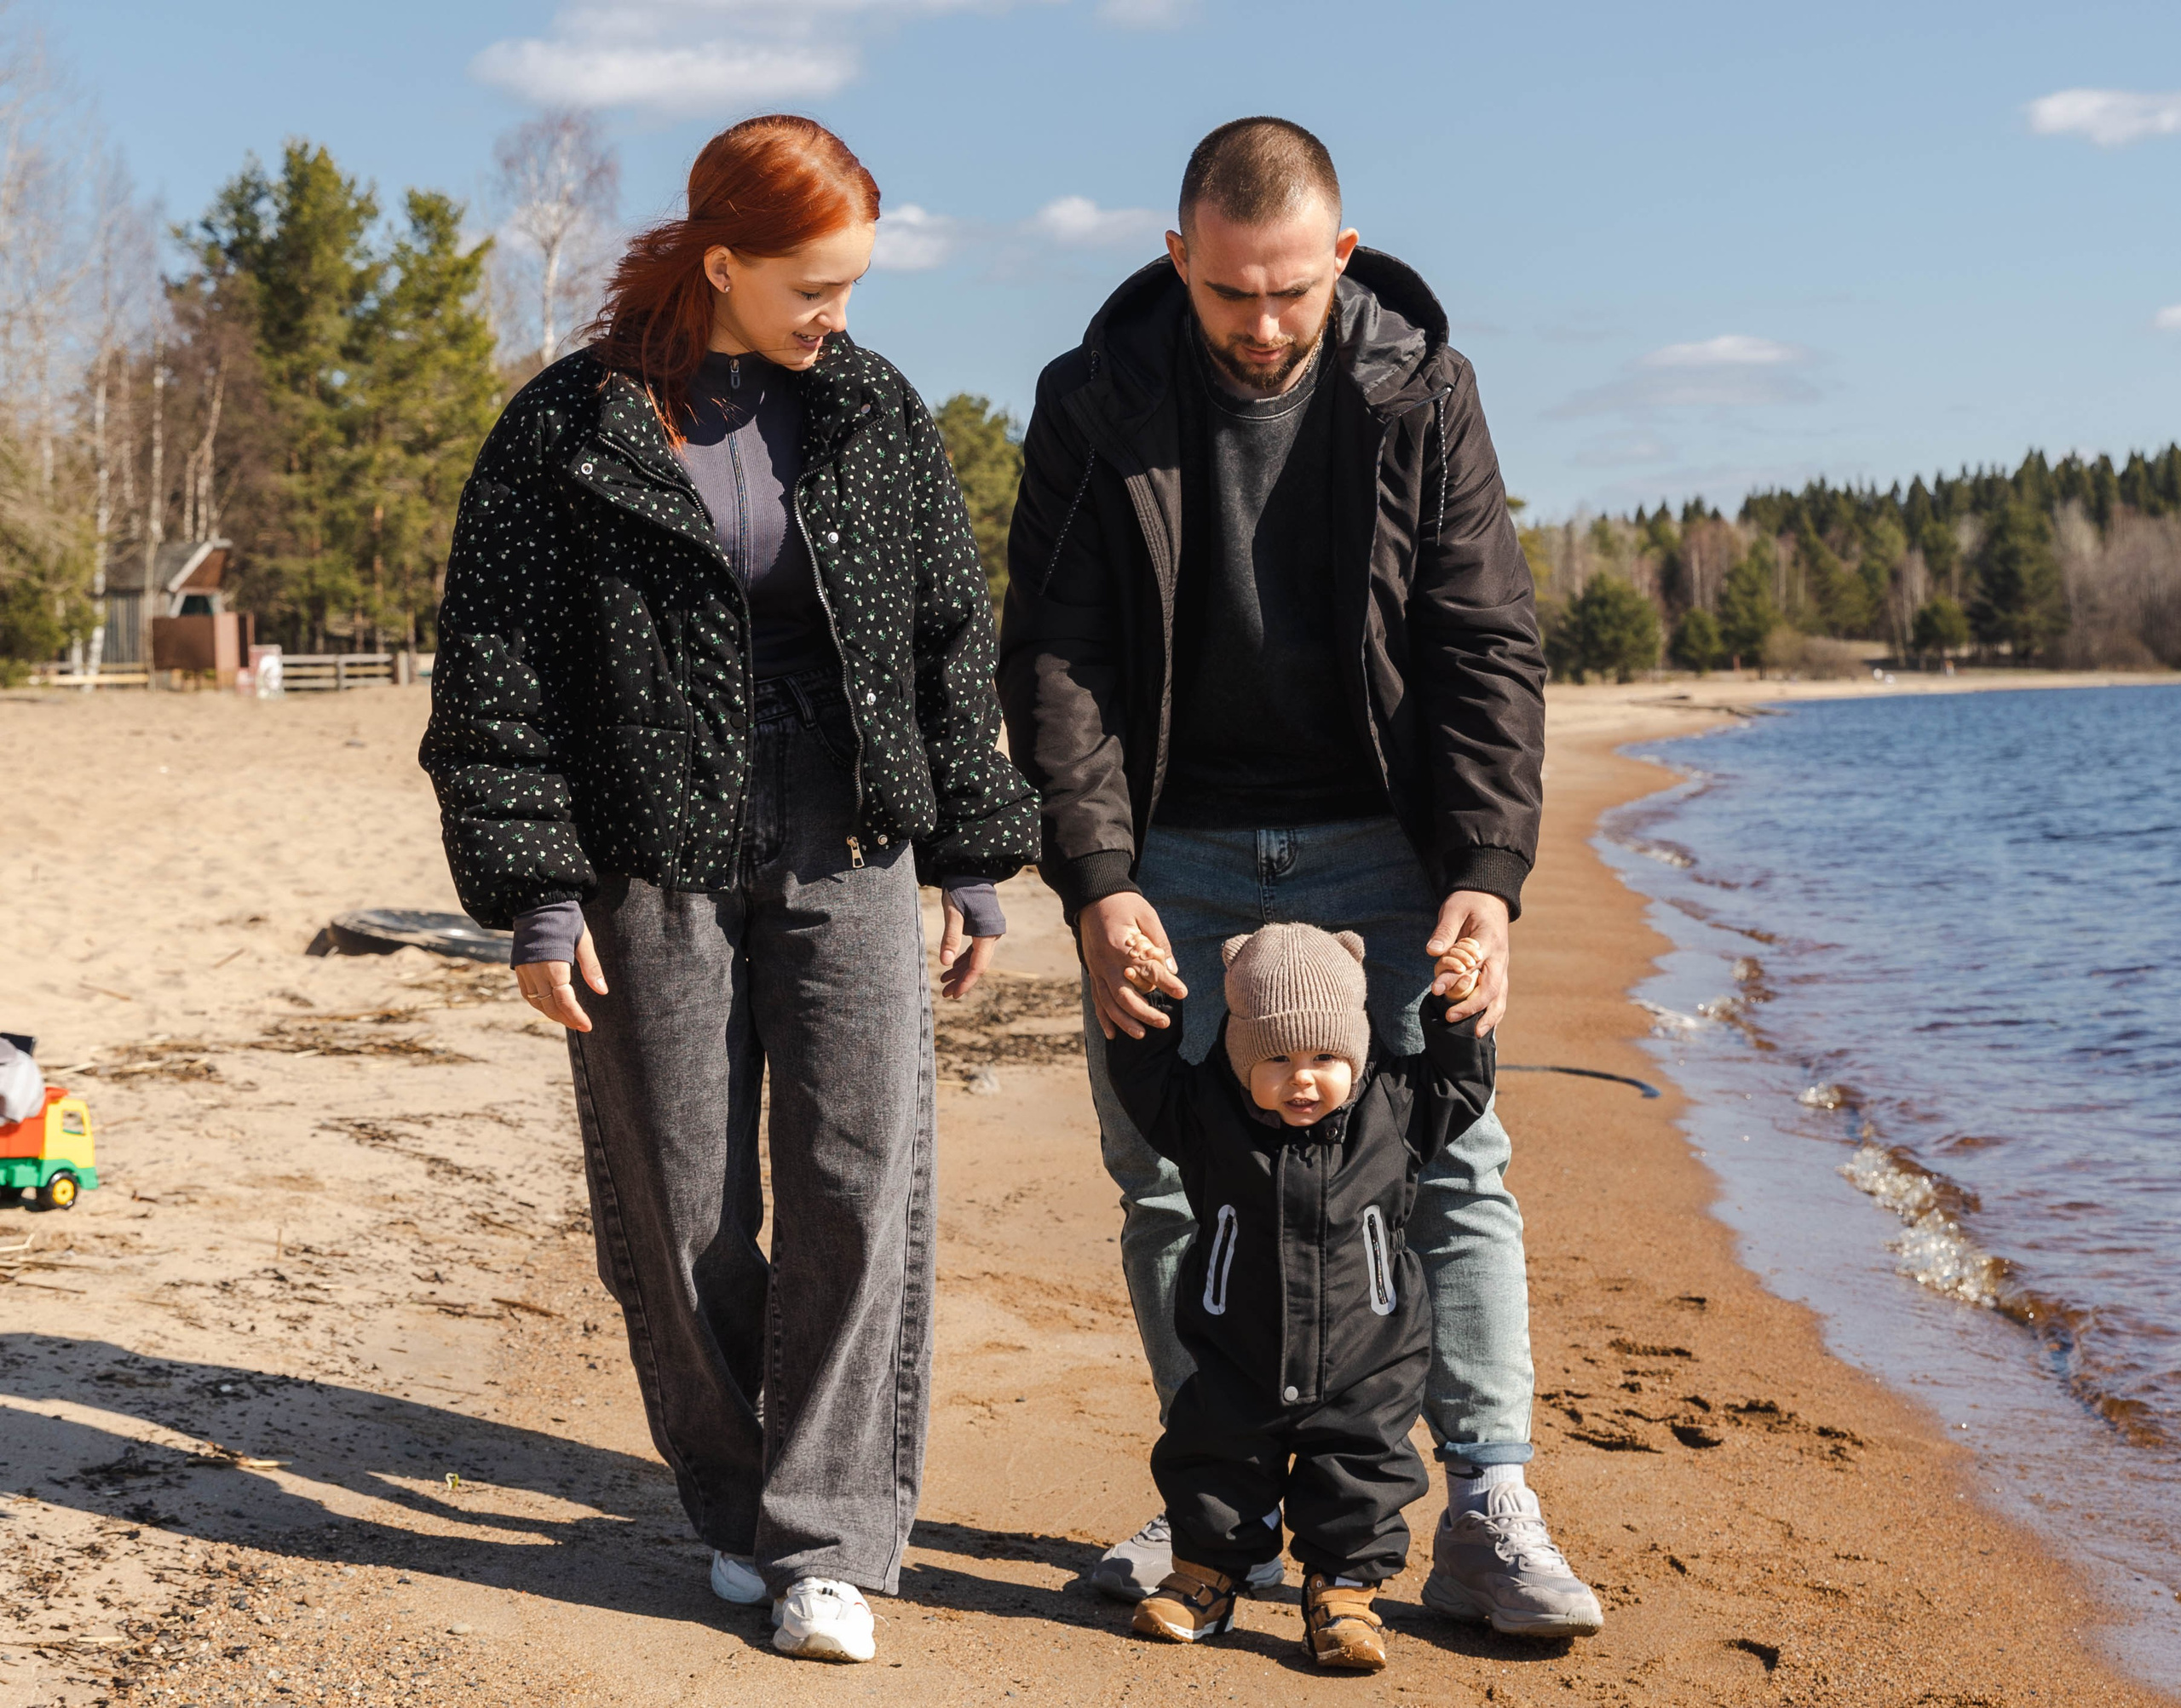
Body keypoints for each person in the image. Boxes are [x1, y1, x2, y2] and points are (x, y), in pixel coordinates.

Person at [419, 115, 1036, 1665]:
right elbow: (494, 670)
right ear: (722, 262)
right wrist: (537, 890)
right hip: (651, 846)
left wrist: (973, 848)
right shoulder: (569, 429)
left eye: (852, 286)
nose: (840, 316)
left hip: (850, 839)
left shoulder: (876, 410)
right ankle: (734, 1503)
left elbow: (952, 634)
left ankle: (829, 1537)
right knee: (683, 1197)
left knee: (853, 1178)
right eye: (813, 286)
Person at [998, 116, 1602, 1636]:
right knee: (1165, 1176)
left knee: (1450, 1164)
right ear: (1177, 261)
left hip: (1384, 841)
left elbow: (1483, 644)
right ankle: (1223, 1503)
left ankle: (1488, 1505)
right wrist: (1098, 879)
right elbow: (1055, 657)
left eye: (1290, 293)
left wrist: (1486, 870)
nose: (1263, 328)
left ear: (1340, 257)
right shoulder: (1092, 399)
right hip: (1173, 851)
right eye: (1229, 296)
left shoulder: (1423, 391)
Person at [1107, 923, 1493, 1672]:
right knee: (1215, 1455)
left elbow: (1462, 1081)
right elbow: (1146, 1079)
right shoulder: (1205, 1115)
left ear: (1356, 1048)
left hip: (1368, 1350)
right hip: (1234, 1344)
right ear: (1241, 1056)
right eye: (1276, 1059)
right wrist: (1152, 992)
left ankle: (1344, 1593)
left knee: (1361, 1469)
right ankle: (1208, 1577)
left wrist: (1458, 1000)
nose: (1303, 1079)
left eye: (1324, 1057)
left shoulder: (1400, 1109)